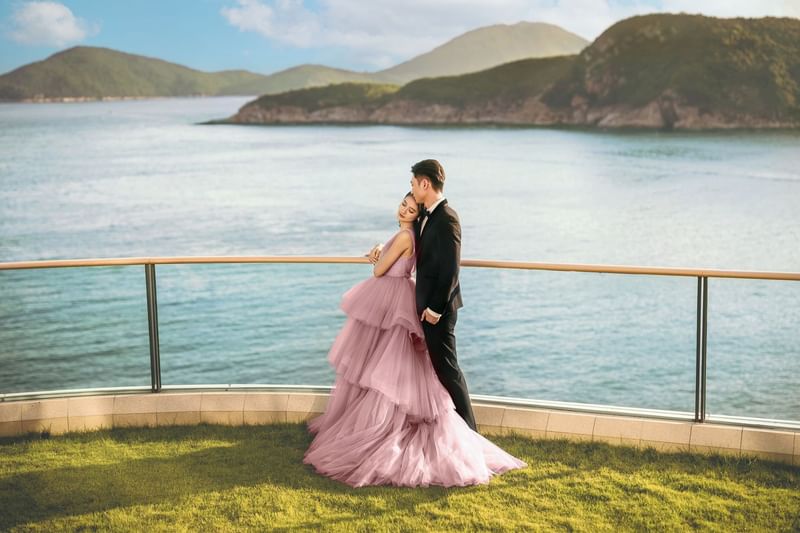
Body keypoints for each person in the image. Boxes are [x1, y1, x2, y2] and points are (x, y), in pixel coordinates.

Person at [303, 192, 526, 488]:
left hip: (391, 297)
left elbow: (380, 269)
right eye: (403, 204)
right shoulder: (413, 233)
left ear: (417, 208)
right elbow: (395, 256)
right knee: (391, 366)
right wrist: (383, 248)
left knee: (382, 367)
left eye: (410, 207)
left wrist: (378, 257)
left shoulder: (406, 235)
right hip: (401, 297)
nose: (404, 209)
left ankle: (384, 429)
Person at [407, 159, 477, 431]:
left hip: (440, 311)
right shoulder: (426, 215)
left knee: (448, 370)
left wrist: (435, 309)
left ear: (425, 183)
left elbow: (451, 269)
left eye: (413, 184)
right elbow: (407, 238)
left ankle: (470, 432)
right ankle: (454, 430)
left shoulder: (447, 219)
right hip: (426, 308)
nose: (412, 190)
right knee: (439, 369)